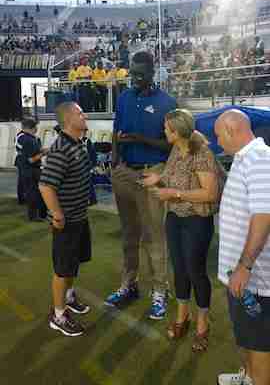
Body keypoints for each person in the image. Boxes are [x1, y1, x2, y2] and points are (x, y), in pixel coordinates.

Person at [104, 51, 177, 320]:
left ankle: (160, 291)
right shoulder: (124, 98)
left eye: (140, 74)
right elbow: (115, 130)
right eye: (132, 73)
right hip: (124, 172)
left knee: (154, 236)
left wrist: (139, 138)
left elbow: (172, 145)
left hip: (152, 174)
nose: (134, 78)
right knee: (128, 234)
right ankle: (129, 285)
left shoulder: (167, 102)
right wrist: (114, 160)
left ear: (152, 72)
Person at [142, 109, 219, 350]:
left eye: (166, 128)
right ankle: (182, 316)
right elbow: (171, 180)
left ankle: (202, 325)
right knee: (180, 271)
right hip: (175, 218)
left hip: (196, 220)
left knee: (196, 272)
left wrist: (173, 193)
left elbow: (210, 193)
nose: (163, 131)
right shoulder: (176, 149)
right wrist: (158, 180)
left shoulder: (202, 153)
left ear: (177, 131)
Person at [215, 110, 270, 385]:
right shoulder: (245, 158)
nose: (217, 142)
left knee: (260, 343)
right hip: (240, 275)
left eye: (218, 135)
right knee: (246, 334)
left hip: (255, 277)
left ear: (231, 130)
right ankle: (248, 377)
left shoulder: (260, 159)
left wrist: (244, 266)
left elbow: (264, 216)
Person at [39, 102, 92, 337]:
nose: (85, 116)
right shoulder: (62, 148)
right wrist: (58, 214)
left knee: (72, 263)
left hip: (79, 217)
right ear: (69, 119)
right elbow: (46, 186)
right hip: (67, 220)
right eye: (80, 113)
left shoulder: (77, 143)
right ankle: (58, 316)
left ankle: (68, 298)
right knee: (62, 269)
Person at [16, 117, 47, 220]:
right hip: (31, 170)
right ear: (30, 128)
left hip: (29, 169)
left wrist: (46, 150)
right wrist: (43, 153)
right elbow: (31, 160)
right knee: (33, 193)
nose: (36, 129)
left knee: (37, 192)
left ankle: (40, 214)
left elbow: (36, 151)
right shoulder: (28, 140)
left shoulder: (25, 138)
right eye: (35, 127)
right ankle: (34, 216)